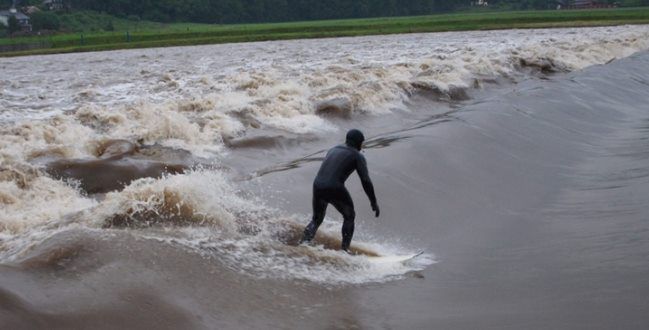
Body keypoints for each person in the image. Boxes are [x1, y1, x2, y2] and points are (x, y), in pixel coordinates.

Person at [300, 129, 380, 252]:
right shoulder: (357, 156)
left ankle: (303, 243)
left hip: (318, 184)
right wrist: (373, 201)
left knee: (316, 219)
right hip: (334, 186)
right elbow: (366, 181)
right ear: (358, 143)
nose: (362, 146)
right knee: (349, 216)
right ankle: (345, 251)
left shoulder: (333, 149)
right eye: (362, 143)